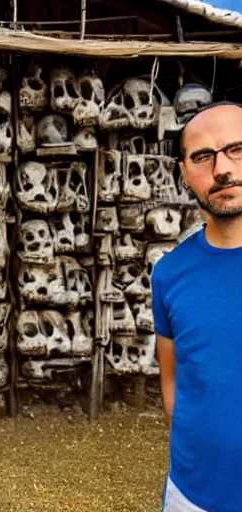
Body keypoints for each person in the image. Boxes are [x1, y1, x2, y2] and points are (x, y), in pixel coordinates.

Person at [151, 102, 242, 512]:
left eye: (237, 149)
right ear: (185, 171)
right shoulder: (169, 274)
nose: (222, 168)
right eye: (203, 156)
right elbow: (172, 382)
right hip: (192, 496)